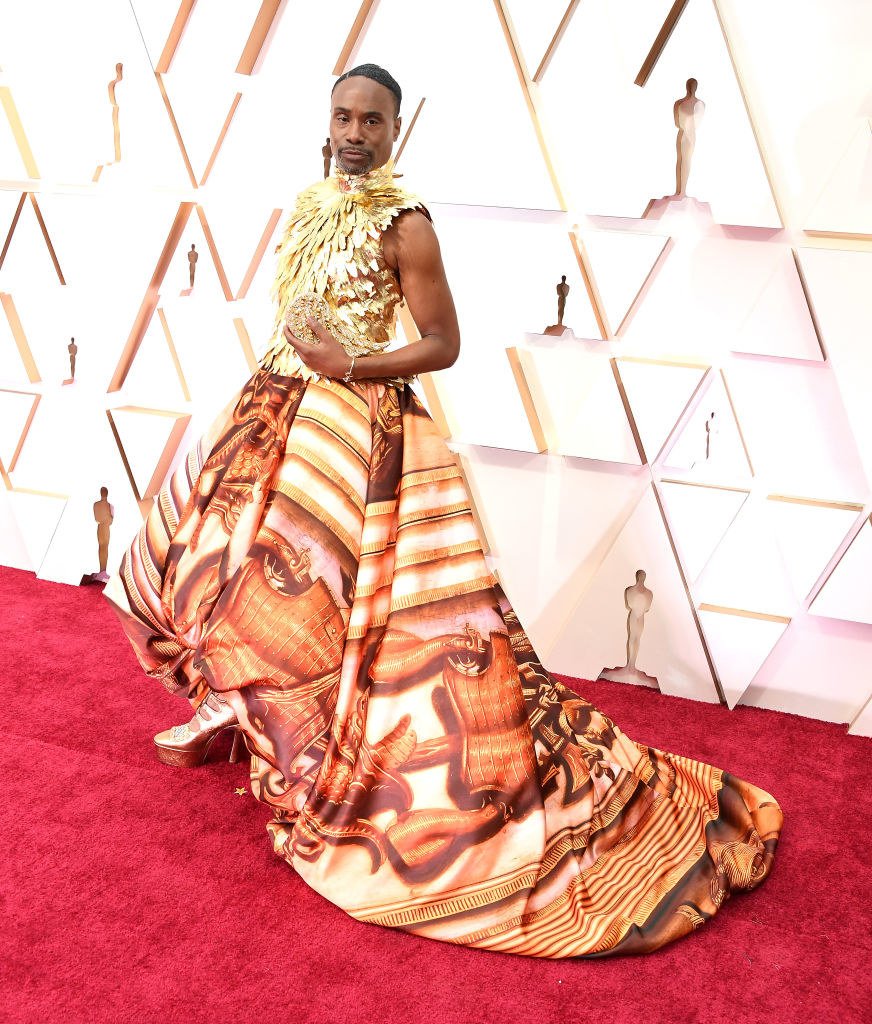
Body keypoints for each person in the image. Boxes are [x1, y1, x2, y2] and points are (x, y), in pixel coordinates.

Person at [103, 63, 782, 958]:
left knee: (327, 617)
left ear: (395, 133)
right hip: (272, 408)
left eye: (371, 121)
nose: (354, 132)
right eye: (342, 114)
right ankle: (243, 709)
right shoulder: (311, 200)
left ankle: (316, 745)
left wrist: (348, 368)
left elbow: (443, 345)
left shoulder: (408, 225)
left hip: (353, 429)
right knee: (180, 569)